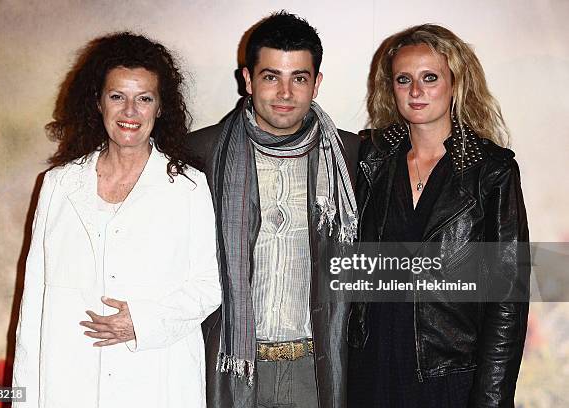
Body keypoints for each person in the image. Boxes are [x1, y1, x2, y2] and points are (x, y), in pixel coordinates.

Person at [12, 32, 221, 408]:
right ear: (97, 102)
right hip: (69, 380)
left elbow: (210, 285)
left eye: (144, 99)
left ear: (160, 108)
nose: (130, 112)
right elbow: (35, 302)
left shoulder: (188, 187)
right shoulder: (59, 184)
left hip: (156, 380)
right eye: (117, 96)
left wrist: (140, 322)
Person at [347, 24, 530, 407]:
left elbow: (507, 299)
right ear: (390, 87)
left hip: (449, 378)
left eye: (430, 78)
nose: (416, 92)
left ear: (455, 83)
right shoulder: (371, 160)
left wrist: (491, 397)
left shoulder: (490, 172)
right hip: (371, 370)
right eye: (404, 79)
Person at [186, 11, 360, 408]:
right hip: (228, 365)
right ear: (247, 79)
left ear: (316, 84)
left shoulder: (351, 158)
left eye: (298, 78)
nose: (285, 92)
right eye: (270, 77)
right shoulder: (199, 155)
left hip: (317, 370)